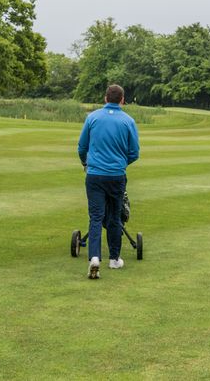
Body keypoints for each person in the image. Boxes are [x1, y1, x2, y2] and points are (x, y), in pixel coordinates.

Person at [77, 84, 140, 279]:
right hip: (116, 176)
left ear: (105, 98)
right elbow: (134, 153)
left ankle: (94, 258)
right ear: (122, 100)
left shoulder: (93, 117)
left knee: (96, 217)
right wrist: (121, 164)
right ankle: (114, 259)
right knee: (114, 216)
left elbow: (82, 147)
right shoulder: (128, 121)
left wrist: (86, 163)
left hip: (95, 174)